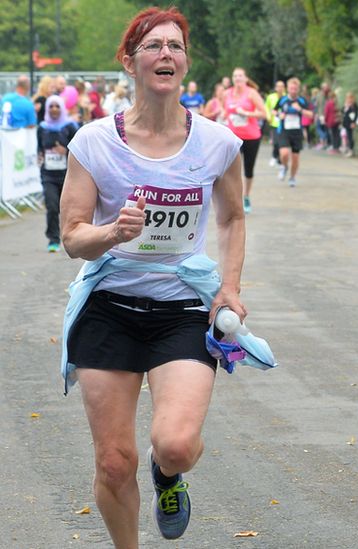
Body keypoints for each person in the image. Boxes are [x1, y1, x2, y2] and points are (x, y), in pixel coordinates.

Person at [58, 7, 246, 546]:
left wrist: (229, 287)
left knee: (177, 444)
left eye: (175, 46)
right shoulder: (94, 142)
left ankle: (169, 477)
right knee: (115, 462)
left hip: (182, 308)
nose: (166, 53)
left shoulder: (216, 143)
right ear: (129, 62)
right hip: (109, 307)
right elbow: (72, 236)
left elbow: (233, 217)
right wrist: (113, 233)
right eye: (153, 46)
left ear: (185, 62)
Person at [37, 95, 79, 253]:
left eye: (57, 106)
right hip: (48, 174)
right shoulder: (42, 127)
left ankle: (71, 237)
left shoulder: (70, 126)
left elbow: (79, 151)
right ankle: (53, 239)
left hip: (68, 175)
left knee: (69, 208)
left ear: (62, 108)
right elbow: (39, 146)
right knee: (52, 206)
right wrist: (40, 154)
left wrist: (66, 151)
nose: (54, 109)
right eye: (51, 106)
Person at [224, 67, 267, 212]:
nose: (237, 79)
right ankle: (234, 198)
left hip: (251, 137)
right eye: (235, 76)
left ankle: (246, 196)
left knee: (248, 169)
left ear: (246, 79)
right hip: (233, 137)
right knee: (230, 169)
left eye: (240, 76)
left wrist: (246, 113)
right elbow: (226, 113)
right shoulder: (227, 94)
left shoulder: (252, 93)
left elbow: (264, 114)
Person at [274, 77, 313, 187]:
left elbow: (310, 114)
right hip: (284, 130)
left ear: (298, 89)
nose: (293, 90)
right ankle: (284, 166)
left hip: (297, 132)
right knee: (284, 153)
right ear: (288, 88)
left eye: (295, 89)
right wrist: (278, 115)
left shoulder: (302, 101)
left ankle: (292, 177)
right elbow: (274, 111)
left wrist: (300, 109)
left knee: (295, 158)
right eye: (291, 88)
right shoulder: (283, 100)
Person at [265, 80, 284, 166]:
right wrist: (269, 117)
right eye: (278, 86)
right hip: (274, 122)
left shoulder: (286, 97)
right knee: (276, 141)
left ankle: (280, 159)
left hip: (284, 123)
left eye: (282, 86)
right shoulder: (271, 97)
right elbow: (266, 107)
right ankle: (274, 156)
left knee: (282, 142)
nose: (280, 88)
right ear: (276, 88)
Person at [341, 91, 358, 157]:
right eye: (347, 98)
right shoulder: (346, 104)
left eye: (349, 97)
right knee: (347, 137)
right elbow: (343, 111)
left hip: (351, 123)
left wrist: (354, 122)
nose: (348, 99)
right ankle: (349, 149)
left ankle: (351, 150)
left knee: (350, 137)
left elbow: (356, 114)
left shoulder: (354, 105)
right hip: (346, 123)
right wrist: (345, 107)